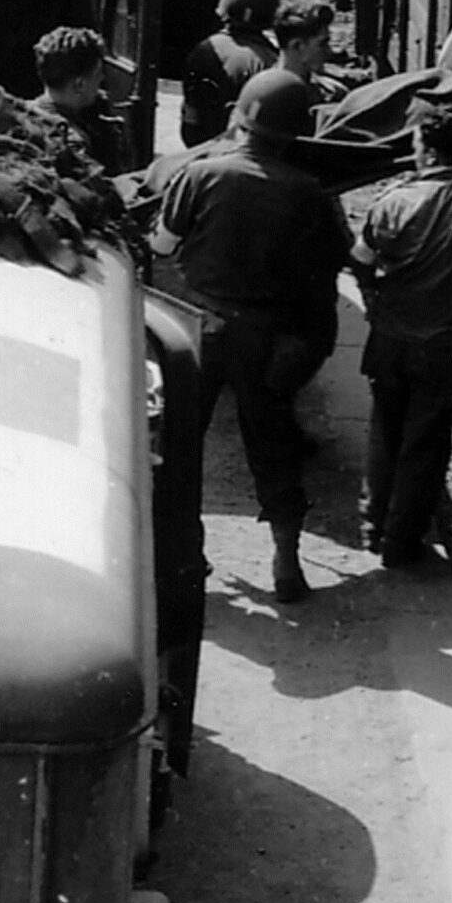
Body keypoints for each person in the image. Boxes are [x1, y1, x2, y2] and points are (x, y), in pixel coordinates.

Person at [149, 68, 351, 603]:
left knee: (179, 448)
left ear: (238, 119)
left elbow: (164, 248)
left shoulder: (198, 176)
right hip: (267, 338)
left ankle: (183, 559)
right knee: (274, 446)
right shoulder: (309, 194)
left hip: (196, 332)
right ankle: (286, 564)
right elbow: (333, 261)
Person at [352, 100, 452, 567]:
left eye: (416, 145)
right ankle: (401, 541)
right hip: (445, 347)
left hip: (389, 340)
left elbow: (361, 258)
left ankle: (373, 527)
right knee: (425, 444)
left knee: (384, 432)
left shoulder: (394, 201)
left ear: (432, 152)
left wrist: (374, 302)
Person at [179, 0, 278, 147]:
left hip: (199, 147)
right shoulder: (268, 60)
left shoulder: (204, 49)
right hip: (239, 149)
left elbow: (191, 119)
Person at [32, 24, 131, 177]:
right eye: (98, 73)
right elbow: (99, 196)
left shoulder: (23, 113)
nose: (102, 79)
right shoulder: (71, 144)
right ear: (79, 85)